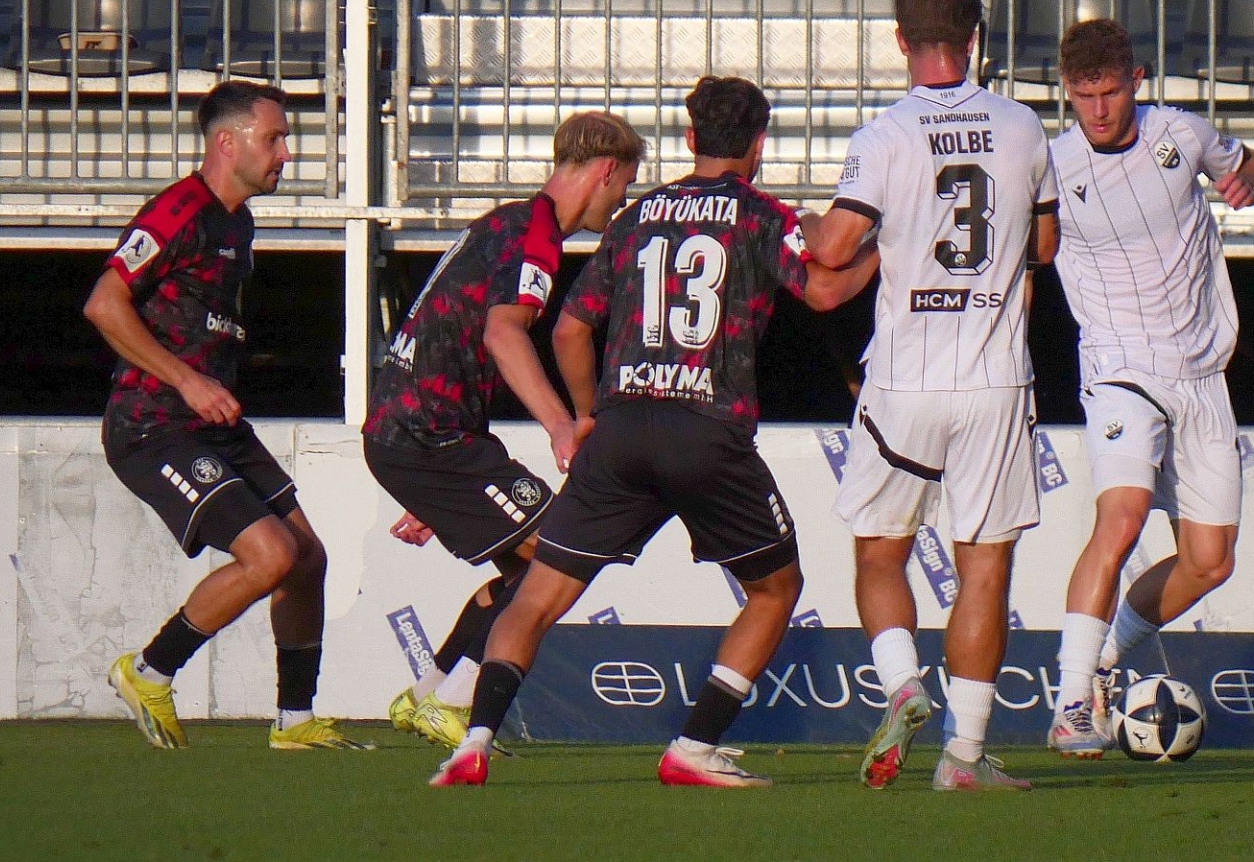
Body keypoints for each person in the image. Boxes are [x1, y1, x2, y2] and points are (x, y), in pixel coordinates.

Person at [430, 76, 879, 789]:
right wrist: (886, 249)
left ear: (691, 138)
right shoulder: (759, 212)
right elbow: (823, 289)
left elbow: (570, 329)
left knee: (537, 595)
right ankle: (694, 746)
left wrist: (587, 415)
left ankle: (474, 738)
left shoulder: (635, 216)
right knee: (775, 589)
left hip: (621, 428)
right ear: (760, 144)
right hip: (706, 430)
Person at [802, 0, 1058, 792]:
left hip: (904, 379)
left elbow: (832, 249)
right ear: (975, 37)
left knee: (881, 552)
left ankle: (902, 684)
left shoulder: (883, 135)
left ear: (900, 42)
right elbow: (1044, 246)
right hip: (993, 379)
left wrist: (807, 222)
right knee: (985, 567)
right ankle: (964, 754)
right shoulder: (1022, 126)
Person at [90, 81, 367, 751]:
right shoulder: (178, 210)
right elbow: (104, 303)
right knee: (270, 554)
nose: (286, 154)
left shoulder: (237, 221)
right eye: (274, 138)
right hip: (152, 423)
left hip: (213, 425)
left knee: (306, 557)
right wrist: (188, 381)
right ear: (227, 142)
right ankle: (149, 671)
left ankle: (294, 720)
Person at [364, 112, 643, 748]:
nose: (622, 200)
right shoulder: (534, 234)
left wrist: (434, 488)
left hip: (420, 434)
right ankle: (451, 701)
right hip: (428, 435)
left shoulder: (508, 222)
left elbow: (452, 332)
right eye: (625, 184)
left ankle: (431, 693)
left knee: (530, 569)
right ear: (605, 171)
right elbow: (502, 333)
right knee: (558, 557)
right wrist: (561, 427)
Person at [1040, 20, 1254, 756]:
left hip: (1200, 374)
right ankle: (1071, 703)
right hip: (1119, 368)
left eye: (1109, 93)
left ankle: (1103, 663)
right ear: (1067, 90)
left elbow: (1253, 164)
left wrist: (1251, 181)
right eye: (1083, 96)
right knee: (1122, 519)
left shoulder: (1182, 135)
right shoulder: (1053, 166)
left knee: (1211, 561)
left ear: (1135, 81)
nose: (1097, 110)